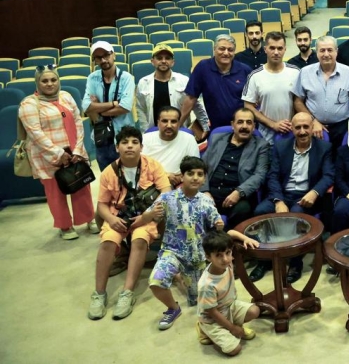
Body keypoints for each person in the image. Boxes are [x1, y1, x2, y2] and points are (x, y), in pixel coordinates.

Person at [135, 156, 259, 330]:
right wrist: (149, 215)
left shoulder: (206, 201)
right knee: (156, 281)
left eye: (200, 174)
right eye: (190, 173)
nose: (195, 178)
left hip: (197, 256)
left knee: (198, 300)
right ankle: (173, 308)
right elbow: (144, 218)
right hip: (172, 251)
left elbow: (219, 230)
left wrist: (222, 227)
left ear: (204, 178)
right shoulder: (167, 198)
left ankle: (182, 279)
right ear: (182, 176)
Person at [87, 126, 172, 320]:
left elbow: (166, 192)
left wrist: (148, 215)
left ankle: (127, 292)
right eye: (124, 143)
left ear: (141, 147)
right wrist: (111, 219)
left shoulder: (153, 166)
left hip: (145, 216)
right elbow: (102, 205)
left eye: (134, 142)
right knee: (108, 242)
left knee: (139, 240)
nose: (130, 146)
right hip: (119, 216)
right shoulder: (109, 171)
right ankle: (99, 293)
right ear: (117, 147)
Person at [252, 113, 334, 283]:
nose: (302, 131)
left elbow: (328, 175)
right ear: (292, 130)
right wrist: (278, 200)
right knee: (260, 212)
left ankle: (295, 263)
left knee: (296, 215)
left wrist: (315, 192)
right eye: (298, 127)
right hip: (282, 194)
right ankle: (264, 260)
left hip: (306, 196)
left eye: (306, 127)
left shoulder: (324, 148)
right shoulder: (281, 146)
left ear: (312, 128)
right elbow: (272, 176)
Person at [18, 65, 95, 239]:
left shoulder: (66, 96)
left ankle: (89, 218)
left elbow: (78, 122)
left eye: (53, 79)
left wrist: (77, 149)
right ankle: (65, 226)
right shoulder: (28, 104)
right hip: (48, 157)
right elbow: (35, 133)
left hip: (74, 153)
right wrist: (59, 154)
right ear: (37, 82)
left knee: (82, 185)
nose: (50, 84)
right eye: (44, 81)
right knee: (56, 193)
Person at [201, 108, 270, 231]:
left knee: (243, 210)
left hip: (238, 197)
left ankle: (230, 239)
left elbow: (260, 174)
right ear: (233, 125)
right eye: (240, 122)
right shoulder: (217, 139)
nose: (244, 126)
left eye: (249, 122)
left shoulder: (261, 145)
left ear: (254, 126)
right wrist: (205, 191)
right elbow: (202, 167)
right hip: (211, 194)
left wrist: (239, 192)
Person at [197, 230, 262, 356]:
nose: (226, 259)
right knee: (234, 350)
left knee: (255, 310)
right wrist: (232, 328)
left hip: (229, 306)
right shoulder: (206, 285)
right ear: (208, 257)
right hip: (212, 319)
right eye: (218, 255)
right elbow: (212, 312)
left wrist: (246, 239)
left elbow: (230, 233)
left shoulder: (226, 263)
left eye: (228, 252)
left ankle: (231, 327)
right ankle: (203, 328)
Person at [293, 35, 349, 152]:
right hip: (314, 128)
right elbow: (297, 101)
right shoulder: (305, 73)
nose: (326, 54)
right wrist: (313, 120)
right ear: (317, 52)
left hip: (342, 128)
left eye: (330, 50)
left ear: (336, 52)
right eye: (322, 50)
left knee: (340, 159)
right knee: (317, 160)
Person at [83, 41, 136, 172]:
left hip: (123, 134)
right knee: (107, 176)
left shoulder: (127, 78)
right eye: (98, 57)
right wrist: (114, 103)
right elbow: (86, 106)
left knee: (128, 175)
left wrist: (98, 109)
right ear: (95, 60)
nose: (103, 60)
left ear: (114, 55)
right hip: (101, 135)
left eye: (106, 55)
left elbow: (125, 107)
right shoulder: (92, 78)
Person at [181, 34, 253, 131]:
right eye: (222, 49)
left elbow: (255, 101)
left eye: (230, 50)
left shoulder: (245, 70)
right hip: (217, 129)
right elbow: (191, 98)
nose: (226, 53)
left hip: (243, 128)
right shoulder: (203, 67)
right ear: (214, 50)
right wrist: (179, 124)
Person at [135, 43, 209, 136]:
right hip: (154, 133)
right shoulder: (143, 82)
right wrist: (146, 131)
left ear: (173, 62)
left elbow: (195, 105)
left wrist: (205, 126)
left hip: (180, 131)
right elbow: (141, 109)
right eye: (159, 58)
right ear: (152, 61)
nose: (163, 61)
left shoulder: (184, 81)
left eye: (167, 58)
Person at [242, 31, 301, 144]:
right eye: (272, 48)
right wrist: (273, 124)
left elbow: (301, 102)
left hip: (293, 134)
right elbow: (248, 106)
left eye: (280, 48)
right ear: (265, 49)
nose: (276, 52)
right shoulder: (255, 76)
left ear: (285, 49)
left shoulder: (296, 72)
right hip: (265, 138)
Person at [142, 106, 201, 187]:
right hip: (149, 183)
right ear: (158, 123)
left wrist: (181, 178)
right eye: (164, 121)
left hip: (177, 184)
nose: (169, 125)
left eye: (173, 121)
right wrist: (163, 176)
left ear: (179, 123)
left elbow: (195, 167)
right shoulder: (145, 138)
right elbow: (140, 167)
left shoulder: (189, 139)